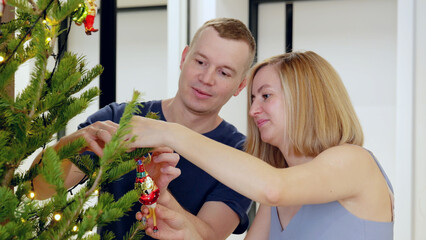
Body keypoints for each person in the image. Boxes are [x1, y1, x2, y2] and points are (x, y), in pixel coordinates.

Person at [32, 18, 256, 240]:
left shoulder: (241, 153)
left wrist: (160, 193)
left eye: (224, 73)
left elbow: (210, 236)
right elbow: (38, 189)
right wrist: (75, 143)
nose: (206, 79)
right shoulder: (119, 119)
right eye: (200, 62)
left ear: (240, 86)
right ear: (184, 58)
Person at [131, 51, 394, 239]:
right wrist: (182, 226)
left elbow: (273, 188)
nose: (253, 110)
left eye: (266, 96)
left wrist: (171, 133)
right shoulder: (276, 200)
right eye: (253, 99)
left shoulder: (355, 162)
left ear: (305, 99)